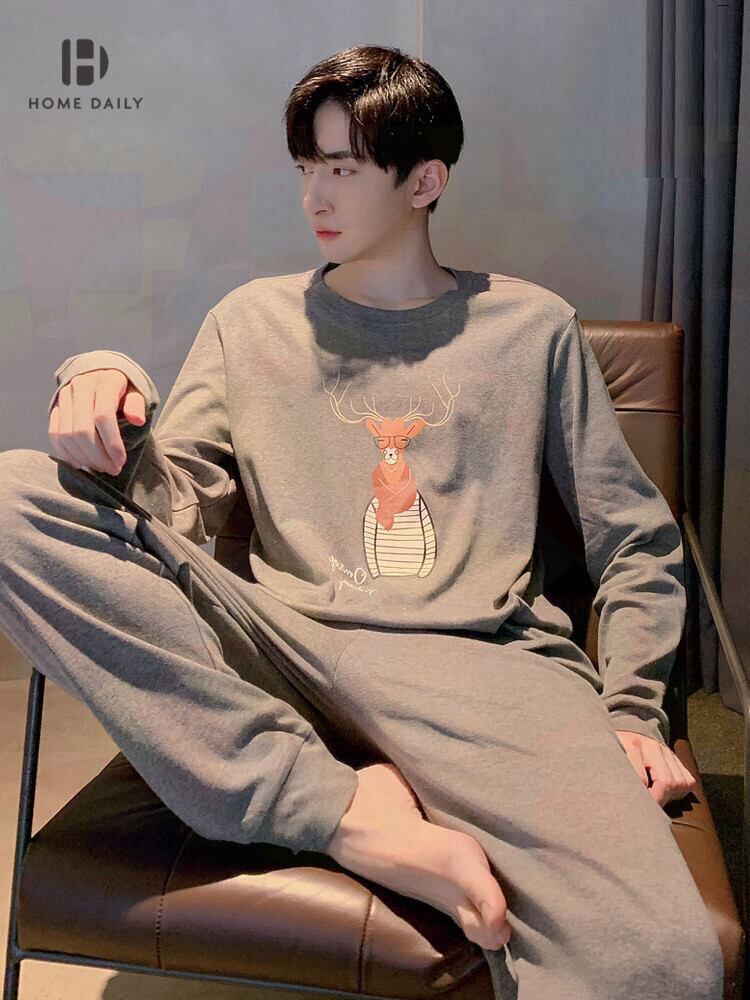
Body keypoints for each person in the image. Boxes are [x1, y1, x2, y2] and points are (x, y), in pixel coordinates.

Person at [0, 44, 723, 999]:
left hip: (479, 670)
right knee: (11, 494)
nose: (314, 196)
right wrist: (103, 382)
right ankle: (338, 809)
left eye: (342, 169)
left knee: (662, 961)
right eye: (306, 166)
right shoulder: (249, 321)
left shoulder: (532, 328)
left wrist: (632, 707)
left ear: (425, 181)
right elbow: (170, 511)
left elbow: (634, 537)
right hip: (284, 647)